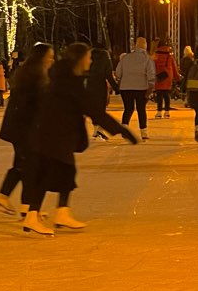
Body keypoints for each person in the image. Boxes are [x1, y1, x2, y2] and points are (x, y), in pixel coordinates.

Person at [22, 43, 137, 237]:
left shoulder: (64, 78)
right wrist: (121, 131)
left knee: (65, 173)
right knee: (49, 175)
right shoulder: (69, 82)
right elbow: (94, 111)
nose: (90, 61)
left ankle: (61, 212)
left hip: (55, 135)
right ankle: (33, 217)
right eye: (88, 57)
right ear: (79, 59)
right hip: (54, 136)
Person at [0, 42, 53, 216]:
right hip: (23, 130)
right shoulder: (35, 76)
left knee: (22, 165)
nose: (52, 60)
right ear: (41, 58)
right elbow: (38, 104)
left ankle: (7, 198)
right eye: (49, 57)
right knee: (29, 167)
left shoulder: (28, 73)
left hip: (19, 128)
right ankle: (26, 208)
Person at [114, 37, 155, 140]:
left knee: (128, 109)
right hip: (142, 88)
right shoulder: (147, 59)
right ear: (145, 45)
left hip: (126, 88)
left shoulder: (126, 58)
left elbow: (118, 73)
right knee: (141, 109)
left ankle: (124, 129)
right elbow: (151, 75)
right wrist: (150, 88)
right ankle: (143, 132)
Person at [85, 46, 120, 140]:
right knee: (101, 108)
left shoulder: (87, 58)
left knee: (93, 108)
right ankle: (99, 129)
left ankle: (97, 129)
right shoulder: (105, 57)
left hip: (88, 86)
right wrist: (117, 88)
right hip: (100, 86)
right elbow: (108, 75)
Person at [151, 38, 180, 119]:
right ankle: (167, 112)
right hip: (167, 77)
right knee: (166, 94)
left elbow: (151, 67)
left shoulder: (155, 55)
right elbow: (174, 67)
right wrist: (177, 76)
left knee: (159, 94)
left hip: (158, 76)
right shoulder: (169, 56)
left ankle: (159, 112)